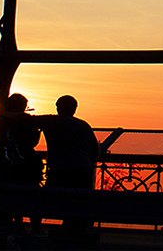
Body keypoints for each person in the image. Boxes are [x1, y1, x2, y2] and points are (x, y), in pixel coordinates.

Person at [35, 95, 99, 236]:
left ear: (58, 108)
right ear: (74, 109)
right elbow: (94, 149)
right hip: (81, 169)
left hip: (59, 169)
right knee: (76, 201)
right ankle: (71, 228)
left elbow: (28, 120)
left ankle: (37, 228)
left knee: (47, 199)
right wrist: (88, 163)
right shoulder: (83, 125)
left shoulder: (51, 122)